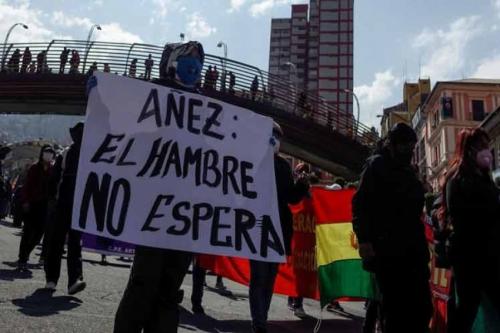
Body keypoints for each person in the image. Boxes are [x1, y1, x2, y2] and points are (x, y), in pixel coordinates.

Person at [114, 41, 206, 333]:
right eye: (187, 59)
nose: (193, 66)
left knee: (170, 288)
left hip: (185, 214)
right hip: (152, 208)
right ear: (171, 63)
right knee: (144, 281)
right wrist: (99, 96)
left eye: (198, 61)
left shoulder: (207, 106)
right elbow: (120, 120)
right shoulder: (151, 94)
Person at [352, 123, 432, 333]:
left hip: (413, 251)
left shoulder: (408, 171)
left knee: (423, 310)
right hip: (388, 252)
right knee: (394, 314)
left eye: (412, 147)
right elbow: (360, 205)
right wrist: (365, 241)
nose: (409, 151)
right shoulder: (376, 166)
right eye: (406, 146)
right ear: (394, 145)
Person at [249, 122, 309, 333]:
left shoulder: (283, 166)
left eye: (277, 136)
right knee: (259, 278)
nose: (274, 139)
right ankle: (259, 323)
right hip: (256, 228)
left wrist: (302, 185)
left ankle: (261, 318)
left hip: (279, 229)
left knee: (269, 279)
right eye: (271, 135)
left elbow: (290, 198)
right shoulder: (252, 161)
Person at [443, 128, 500, 333]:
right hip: (469, 255)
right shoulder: (457, 179)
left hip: (489, 253)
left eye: (488, 146)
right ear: (468, 149)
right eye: (482, 146)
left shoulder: (485, 178)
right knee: (467, 307)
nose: (487, 151)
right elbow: (462, 216)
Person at [44, 123, 86, 295]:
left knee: (70, 243)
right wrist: (53, 199)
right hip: (65, 203)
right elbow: (54, 180)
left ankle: (71, 281)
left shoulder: (90, 154)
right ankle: (55, 279)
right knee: (61, 242)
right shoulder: (66, 154)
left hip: (75, 205)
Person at [17, 145, 55, 271]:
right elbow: (27, 186)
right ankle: (22, 258)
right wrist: (26, 201)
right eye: (47, 152)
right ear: (42, 154)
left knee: (39, 233)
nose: (49, 155)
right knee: (28, 231)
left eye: (51, 153)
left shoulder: (52, 169)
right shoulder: (34, 168)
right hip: (32, 203)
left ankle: (26, 253)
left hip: (44, 205)